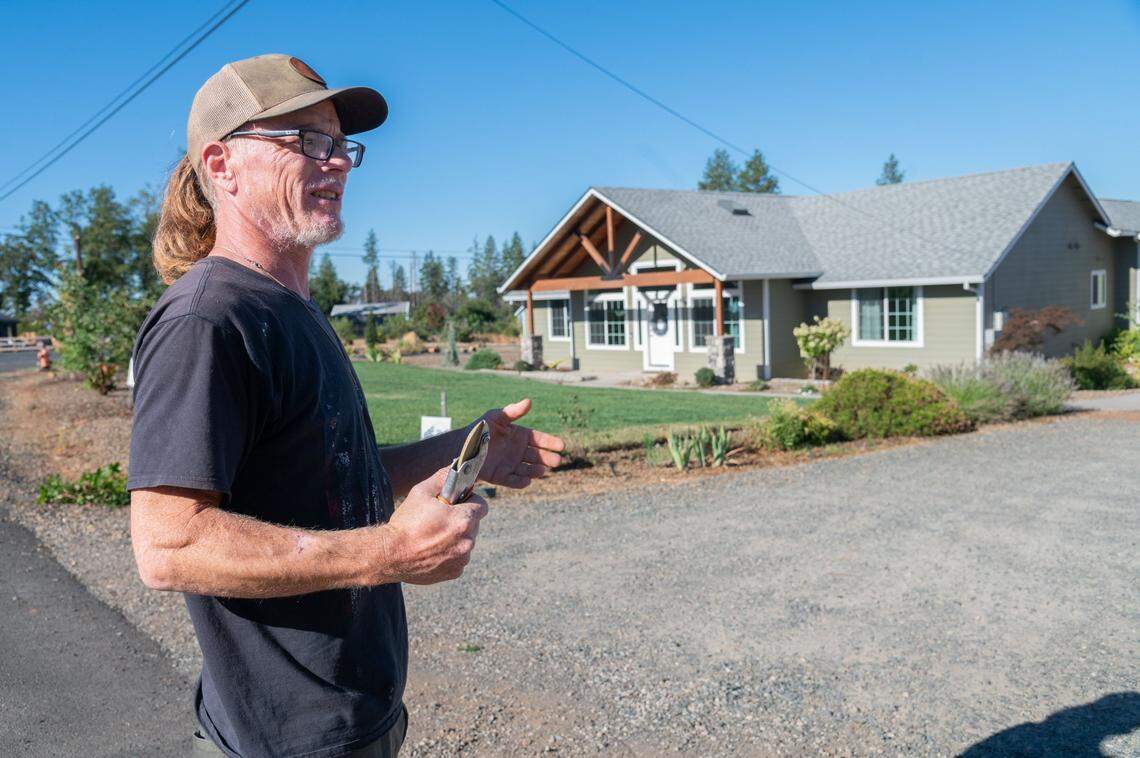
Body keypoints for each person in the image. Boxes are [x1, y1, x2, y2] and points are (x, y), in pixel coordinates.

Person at [127, 54, 565, 758]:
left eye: (339, 145)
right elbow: (169, 545)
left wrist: (468, 445)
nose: (336, 164)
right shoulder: (208, 320)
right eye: (306, 141)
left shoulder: (293, 308)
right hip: (281, 740)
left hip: (352, 716)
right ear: (222, 163)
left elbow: (331, 474)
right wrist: (391, 550)